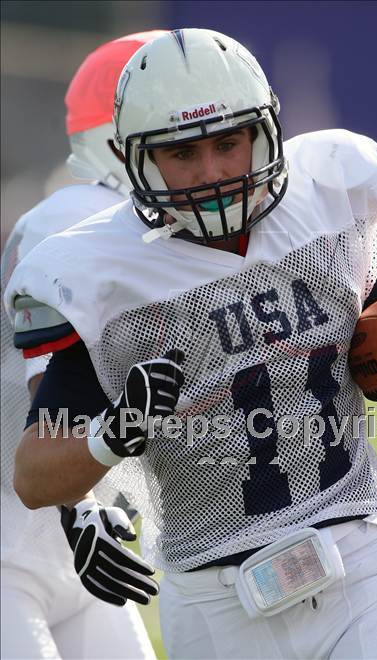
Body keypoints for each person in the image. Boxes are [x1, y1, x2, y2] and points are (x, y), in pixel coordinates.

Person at [5, 29, 377, 659]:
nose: (211, 174)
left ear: (265, 133)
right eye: (183, 155)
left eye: (228, 144)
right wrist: (115, 430)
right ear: (134, 161)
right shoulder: (100, 270)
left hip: (360, 560)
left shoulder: (326, 206)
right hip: (213, 602)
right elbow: (35, 476)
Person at [0, 31, 168, 660]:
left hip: (79, 532)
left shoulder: (155, 241)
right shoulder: (73, 219)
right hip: (27, 531)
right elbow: (51, 388)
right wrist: (81, 507)